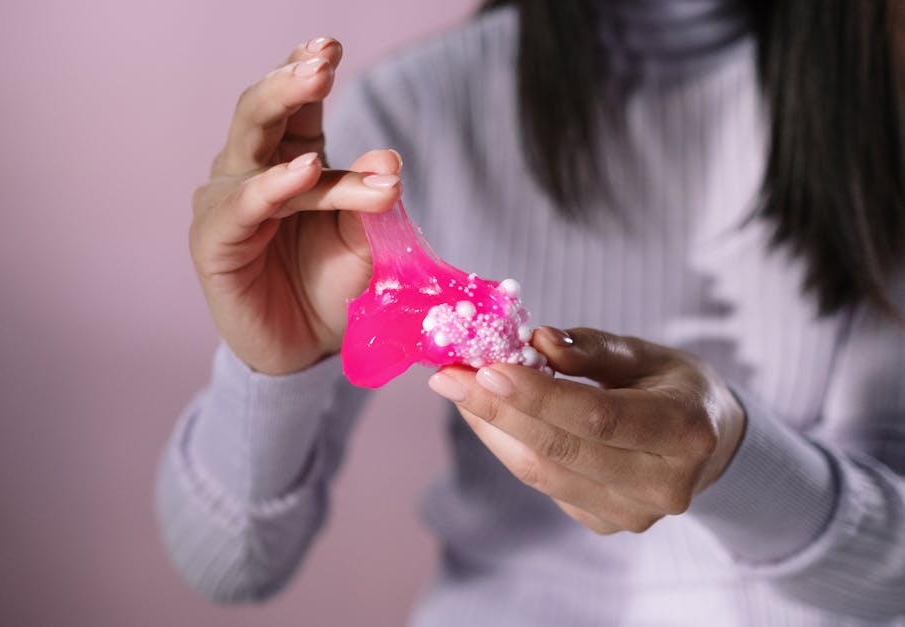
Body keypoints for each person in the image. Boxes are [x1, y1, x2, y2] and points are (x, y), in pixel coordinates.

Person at [155, 1, 905, 624]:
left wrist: (735, 466)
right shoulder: (419, 112)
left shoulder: (885, 101)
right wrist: (274, 369)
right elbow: (231, 561)